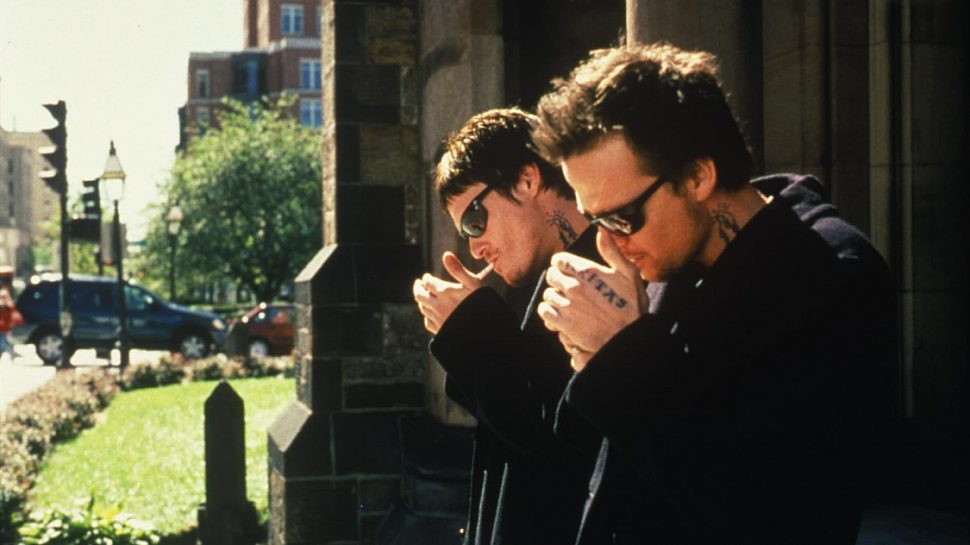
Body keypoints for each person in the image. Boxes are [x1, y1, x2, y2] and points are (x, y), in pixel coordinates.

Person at [533, 43, 896, 544]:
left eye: (622, 217)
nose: (608, 243)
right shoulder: (671, 260)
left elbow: (777, 506)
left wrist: (623, 357)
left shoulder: (833, 273)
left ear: (699, 176)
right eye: (595, 220)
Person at [412, 108, 604, 545]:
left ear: (527, 180)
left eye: (474, 221)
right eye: (466, 232)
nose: (475, 248)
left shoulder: (601, 277)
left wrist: (471, 332)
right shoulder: (539, 283)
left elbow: (559, 438)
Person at [0, 287, 24, 362]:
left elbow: (14, 316)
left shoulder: (9, 306)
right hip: (3, 328)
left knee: (3, 343)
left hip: (5, 328)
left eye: (4, 297)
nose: (2, 298)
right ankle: (11, 353)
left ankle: (11, 352)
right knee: (3, 343)